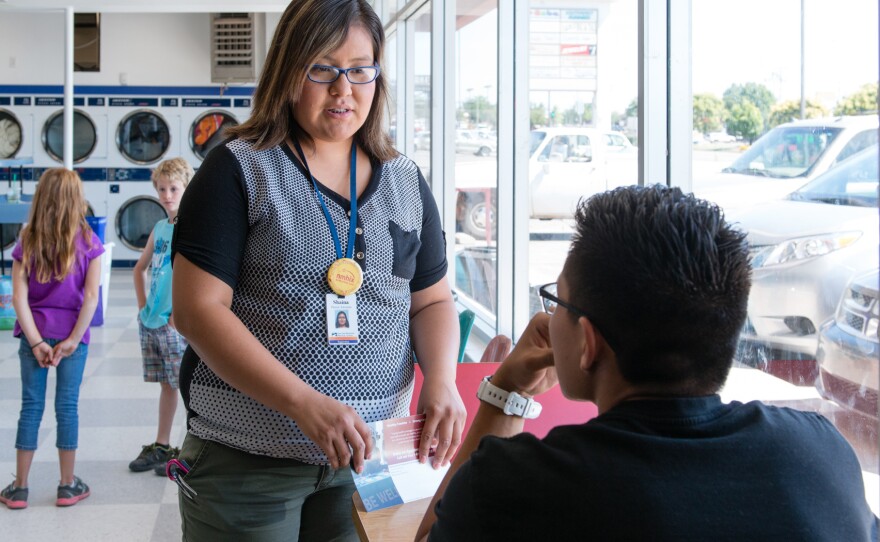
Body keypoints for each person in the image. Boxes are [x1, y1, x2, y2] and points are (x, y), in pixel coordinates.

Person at [417, 185, 879, 541]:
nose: (549, 316)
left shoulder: (516, 485)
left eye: (558, 301)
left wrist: (505, 395)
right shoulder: (820, 458)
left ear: (589, 343)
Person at [171, 0, 466, 539]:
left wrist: (441, 380)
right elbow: (197, 312)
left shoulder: (404, 180)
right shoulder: (238, 169)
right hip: (248, 459)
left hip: (369, 461)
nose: (343, 89)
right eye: (322, 69)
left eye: (360, 70)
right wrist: (303, 403)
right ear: (288, 71)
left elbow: (432, 300)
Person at [0, 168, 104, 510]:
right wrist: (73, 339)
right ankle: (66, 485)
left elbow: (18, 297)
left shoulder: (26, 238)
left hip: (35, 334)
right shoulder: (89, 240)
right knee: (67, 406)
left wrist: (35, 342)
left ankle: (20, 487)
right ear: (77, 199)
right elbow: (91, 298)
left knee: (30, 407)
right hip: (72, 337)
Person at [128, 157, 193, 476]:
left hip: (174, 322)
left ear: (186, 188)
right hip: (152, 320)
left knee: (186, 385)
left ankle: (192, 449)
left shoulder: (191, 224)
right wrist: (143, 308)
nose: (167, 194)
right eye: (162, 189)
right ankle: (163, 443)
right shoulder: (159, 227)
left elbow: (193, 274)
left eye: (174, 188)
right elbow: (139, 268)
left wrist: (178, 313)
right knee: (168, 386)